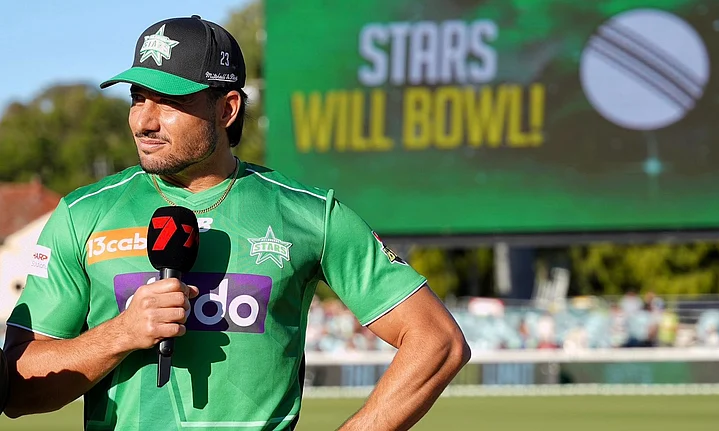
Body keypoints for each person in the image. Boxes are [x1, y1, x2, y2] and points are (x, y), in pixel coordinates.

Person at [3, 15, 470, 430]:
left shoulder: (311, 213)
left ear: (226, 109)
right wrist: (121, 333)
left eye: (168, 101)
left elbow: (437, 341)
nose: (144, 121)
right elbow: (17, 391)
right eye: (138, 98)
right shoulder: (82, 214)